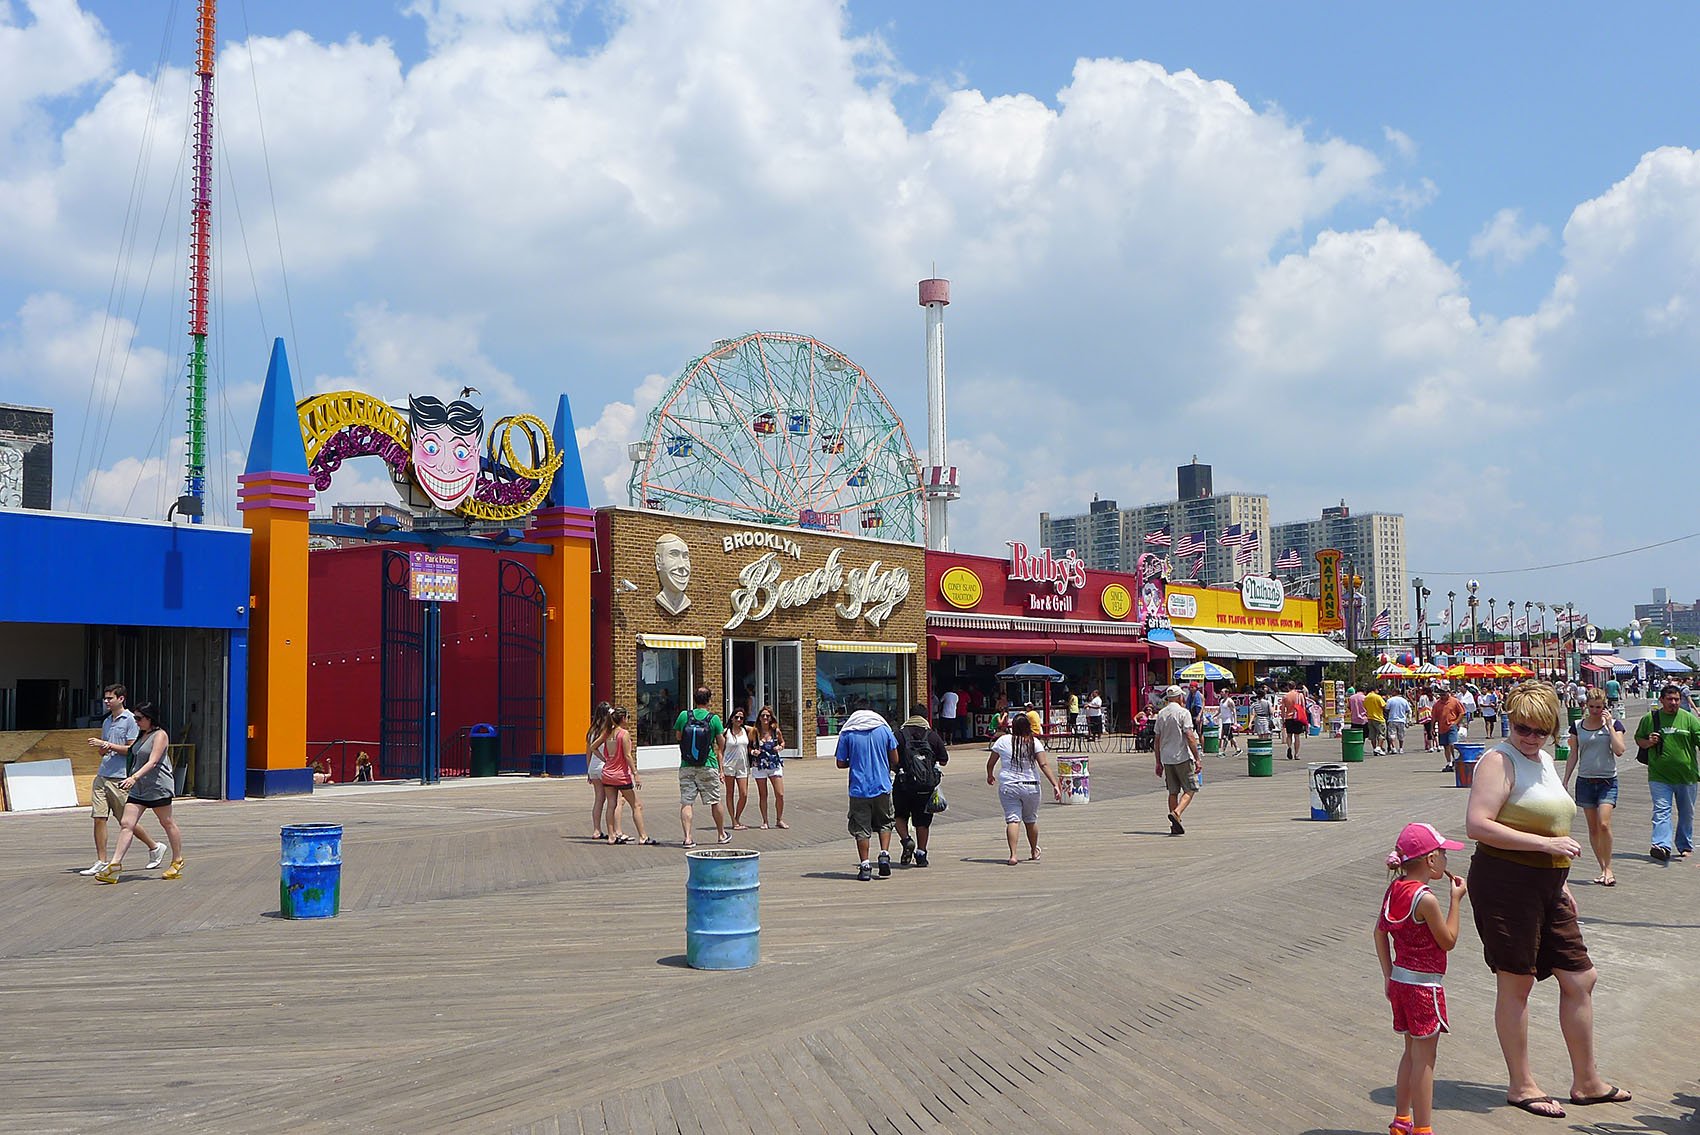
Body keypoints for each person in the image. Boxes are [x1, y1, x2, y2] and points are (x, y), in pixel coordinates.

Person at [1464, 682, 1630, 1119]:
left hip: (1549, 883)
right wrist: (1544, 849)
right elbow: (1477, 825)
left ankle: (1587, 1081)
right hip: (1505, 882)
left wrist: (1562, 881)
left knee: (1580, 977)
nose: (1531, 737)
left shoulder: (1543, 762)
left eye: (1541, 730)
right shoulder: (1498, 761)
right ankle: (1522, 1085)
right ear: (1510, 721)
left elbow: (1553, 828)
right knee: (1515, 981)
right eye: (1523, 728)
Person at [1374, 822, 1469, 1135]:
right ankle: (1423, 1128)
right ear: (1429, 860)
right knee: (1426, 1061)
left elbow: (1379, 932)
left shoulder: (1396, 888)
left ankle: (1402, 1121)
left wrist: (1389, 975)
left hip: (1401, 982)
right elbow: (1448, 940)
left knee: (1410, 1054)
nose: (1444, 858)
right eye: (1441, 853)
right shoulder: (1426, 899)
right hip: (1424, 987)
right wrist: (1456, 899)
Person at [93, 702, 184, 883]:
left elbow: (153, 762)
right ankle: (115, 865)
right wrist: (107, 747)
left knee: (167, 822)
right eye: (135, 718)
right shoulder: (142, 735)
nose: (136, 721)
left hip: (157, 787)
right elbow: (130, 752)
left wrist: (133, 778)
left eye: (139, 718)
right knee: (127, 823)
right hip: (139, 788)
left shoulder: (160, 735)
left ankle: (177, 860)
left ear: (150, 718)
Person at [82, 684, 165, 876]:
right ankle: (101, 860)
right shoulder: (107, 721)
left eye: (110, 698)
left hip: (120, 777)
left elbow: (131, 749)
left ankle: (154, 846)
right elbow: (104, 749)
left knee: (126, 821)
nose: (106, 702)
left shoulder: (131, 720)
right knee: (99, 817)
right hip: (103, 774)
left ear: (121, 699)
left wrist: (106, 744)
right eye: (105, 698)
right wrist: (102, 747)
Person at [1563, 688, 1625, 885]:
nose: (1595, 711)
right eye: (1592, 707)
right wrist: (1565, 780)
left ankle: (1609, 868)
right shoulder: (1577, 726)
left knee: (1604, 824)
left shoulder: (1614, 724)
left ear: (1605, 706)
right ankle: (1602, 868)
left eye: (1599, 707)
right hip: (1585, 781)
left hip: (1607, 781)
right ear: (1586, 706)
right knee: (1593, 829)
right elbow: (1573, 754)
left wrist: (1610, 727)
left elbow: (1620, 750)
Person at [1634, 682, 1699, 863]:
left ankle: (1684, 844)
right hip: (1659, 776)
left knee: (1687, 813)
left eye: (1677, 699)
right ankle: (1661, 845)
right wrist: (1648, 742)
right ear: (1661, 700)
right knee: (1661, 811)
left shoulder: (1688, 718)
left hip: (1687, 776)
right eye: (1669, 699)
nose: (1674, 703)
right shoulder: (1651, 718)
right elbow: (1639, 739)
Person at [835, 699, 900, 881]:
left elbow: (840, 763)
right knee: (885, 822)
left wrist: (853, 761)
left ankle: (864, 865)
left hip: (859, 788)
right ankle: (884, 854)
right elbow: (895, 758)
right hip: (882, 785)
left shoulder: (848, 732)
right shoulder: (884, 729)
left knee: (861, 828)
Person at [986, 712, 1061, 865]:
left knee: (1013, 820)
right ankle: (1034, 851)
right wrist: (1055, 784)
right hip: (1030, 786)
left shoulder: (1003, 740)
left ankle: (1013, 855)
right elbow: (1043, 764)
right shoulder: (1034, 742)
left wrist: (990, 775)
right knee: (1031, 820)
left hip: (1009, 786)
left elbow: (991, 762)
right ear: (1028, 727)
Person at [894, 704, 950, 867]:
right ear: (925, 717)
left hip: (903, 783)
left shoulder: (899, 735)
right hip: (926, 785)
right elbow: (944, 760)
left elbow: (891, 759)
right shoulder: (932, 736)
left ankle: (906, 840)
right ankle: (921, 854)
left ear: (910, 716)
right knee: (923, 821)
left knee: (898, 815)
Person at [674, 686, 727, 848]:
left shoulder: (684, 715)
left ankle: (688, 838)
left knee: (687, 802)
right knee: (715, 800)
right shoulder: (714, 719)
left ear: (694, 699)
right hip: (708, 764)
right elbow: (721, 743)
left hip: (687, 765)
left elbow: (678, 737)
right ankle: (720, 834)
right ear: (709, 700)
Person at [596, 707, 657, 845]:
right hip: (621, 775)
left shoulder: (608, 733)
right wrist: (636, 774)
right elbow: (627, 755)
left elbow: (593, 746)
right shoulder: (624, 734)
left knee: (611, 804)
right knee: (636, 805)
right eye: (628, 717)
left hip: (607, 774)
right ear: (623, 719)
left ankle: (612, 836)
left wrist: (605, 759)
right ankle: (643, 837)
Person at [1154, 685, 1201, 835]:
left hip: (1167, 758)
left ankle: (1175, 825)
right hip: (1182, 756)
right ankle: (1177, 813)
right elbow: (1189, 736)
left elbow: (1157, 740)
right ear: (1180, 697)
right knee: (1191, 788)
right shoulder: (1183, 712)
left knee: (1173, 791)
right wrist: (1198, 758)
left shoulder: (1161, 714)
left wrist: (1158, 761)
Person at [751, 705, 788, 829]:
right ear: (759, 718)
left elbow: (783, 742)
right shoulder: (755, 731)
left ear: (771, 717)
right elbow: (749, 746)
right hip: (760, 765)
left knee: (780, 794)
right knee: (763, 795)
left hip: (774, 763)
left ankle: (779, 819)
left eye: (767, 715)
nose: (765, 718)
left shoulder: (775, 731)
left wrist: (780, 747)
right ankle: (765, 821)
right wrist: (752, 752)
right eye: (763, 715)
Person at [719, 706, 753, 830]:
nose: (739, 719)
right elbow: (720, 752)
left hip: (743, 765)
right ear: (732, 718)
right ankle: (734, 821)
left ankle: (737, 817)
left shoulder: (746, 730)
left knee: (744, 794)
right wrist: (721, 770)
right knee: (730, 793)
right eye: (736, 717)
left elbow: (759, 729)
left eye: (741, 718)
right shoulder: (725, 732)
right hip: (729, 765)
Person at [586, 701, 612, 840]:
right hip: (605, 767)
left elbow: (588, 752)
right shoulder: (607, 730)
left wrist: (588, 771)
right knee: (612, 800)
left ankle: (596, 830)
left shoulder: (591, 731)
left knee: (598, 799)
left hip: (593, 768)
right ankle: (613, 831)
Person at [1432, 687, 1464, 772]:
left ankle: (1455, 761)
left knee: (1452, 744)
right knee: (1445, 746)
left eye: (1444, 694)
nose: (1442, 696)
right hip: (1441, 727)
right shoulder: (1437, 704)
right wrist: (1432, 728)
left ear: (1448, 693)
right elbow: (1434, 717)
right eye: (1441, 695)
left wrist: (1456, 722)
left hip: (1451, 726)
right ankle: (1449, 763)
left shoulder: (1455, 701)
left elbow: (1462, 712)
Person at [1280, 681, 1308, 760]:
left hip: (1288, 717)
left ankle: (1289, 747)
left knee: (1289, 735)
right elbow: (1303, 707)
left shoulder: (1285, 696)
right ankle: (1296, 754)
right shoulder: (1300, 695)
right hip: (1297, 717)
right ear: (1295, 687)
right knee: (1297, 736)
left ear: (1288, 687)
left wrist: (1283, 719)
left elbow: (1283, 709)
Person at [1385, 688, 1411, 754]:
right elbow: (1408, 710)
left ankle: (1393, 748)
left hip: (1392, 719)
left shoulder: (1390, 700)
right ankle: (1401, 748)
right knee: (1401, 735)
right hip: (1401, 720)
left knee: (1391, 734)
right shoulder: (1404, 700)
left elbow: (1387, 709)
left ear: (1394, 692)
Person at [1365, 684, 1388, 755]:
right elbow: (1384, 705)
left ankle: (1375, 749)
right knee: (1382, 733)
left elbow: (1365, 707)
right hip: (1378, 718)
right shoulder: (1377, 697)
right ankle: (1378, 747)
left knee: (1372, 735)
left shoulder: (1366, 698)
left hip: (1370, 717)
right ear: (1374, 690)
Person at [1417, 688, 1436, 752]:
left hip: (1426, 715)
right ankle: (1436, 745)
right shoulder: (1433, 698)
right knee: (1433, 730)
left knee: (1428, 731)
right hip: (1433, 714)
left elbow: (1420, 706)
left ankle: (1430, 746)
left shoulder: (1423, 697)